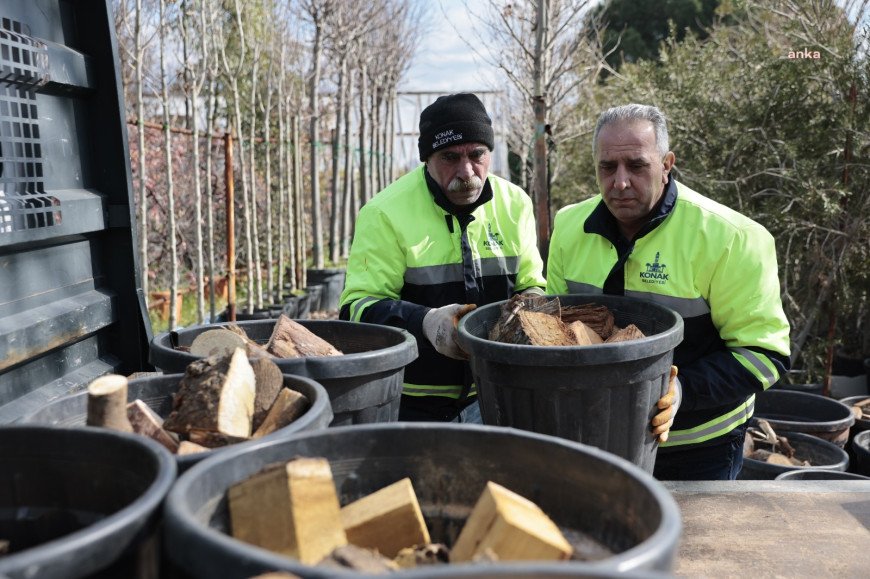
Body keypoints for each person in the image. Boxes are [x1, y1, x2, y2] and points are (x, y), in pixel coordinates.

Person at [546, 104, 791, 480]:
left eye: (637, 165)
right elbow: (554, 331)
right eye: (607, 167)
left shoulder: (732, 238)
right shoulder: (569, 226)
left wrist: (680, 392)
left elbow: (763, 354)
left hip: (698, 448)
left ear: (667, 163)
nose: (620, 182)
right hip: (596, 439)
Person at [339, 93, 546, 422]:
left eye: (477, 154)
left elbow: (532, 282)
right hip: (412, 403)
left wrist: (534, 304)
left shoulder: (514, 203)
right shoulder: (384, 213)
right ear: (427, 158)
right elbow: (356, 310)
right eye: (449, 157)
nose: (466, 171)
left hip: (498, 395)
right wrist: (424, 322)